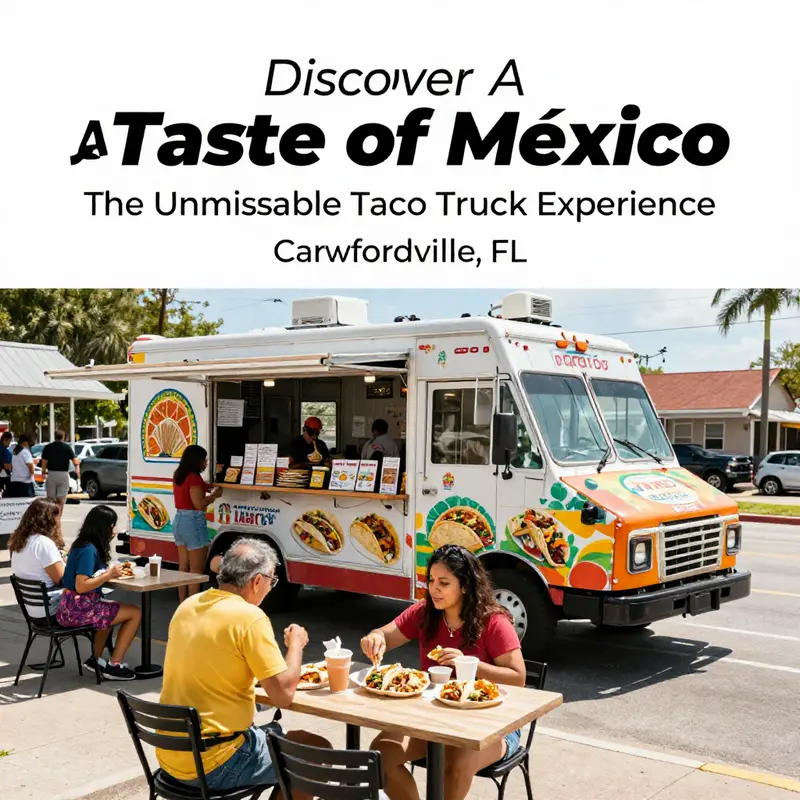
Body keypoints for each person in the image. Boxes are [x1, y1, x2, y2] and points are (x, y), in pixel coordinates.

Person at [157, 538, 330, 795]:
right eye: (271, 581)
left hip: (172, 754)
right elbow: (283, 694)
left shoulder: (188, 605)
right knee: (317, 754)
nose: (270, 589)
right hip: (216, 760)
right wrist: (296, 646)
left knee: (298, 740)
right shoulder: (249, 617)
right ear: (257, 581)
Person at [361, 544, 526, 800]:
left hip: (491, 724)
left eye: (444, 583)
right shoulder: (425, 612)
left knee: (454, 764)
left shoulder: (493, 621)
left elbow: (518, 677)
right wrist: (374, 638)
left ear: (464, 585)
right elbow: (384, 634)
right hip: (431, 719)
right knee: (381, 755)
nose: (434, 589)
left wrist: (469, 664)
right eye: (431, 580)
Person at [57, 505, 142, 680]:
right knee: (135, 612)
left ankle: (94, 659)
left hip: (69, 605)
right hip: (79, 608)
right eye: (112, 526)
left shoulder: (81, 545)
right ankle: (114, 665)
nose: (114, 530)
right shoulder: (89, 550)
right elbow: (81, 585)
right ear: (103, 527)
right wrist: (109, 575)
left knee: (110, 610)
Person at [173, 444, 222, 602]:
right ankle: (192, 608)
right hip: (192, 521)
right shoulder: (194, 477)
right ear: (197, 461)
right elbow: (199, 503)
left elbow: (192, 491)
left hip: (180, 520)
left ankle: (182, 603)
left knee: (183, 567)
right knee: (196, 570)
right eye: (204, 460)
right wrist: (214, 495)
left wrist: (208, 486)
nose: (206, 463)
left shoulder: (180, 474)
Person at [9, 498, 65, 618]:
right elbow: (62, 580)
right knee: (103, 609)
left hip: (32, 611)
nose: (59, 521)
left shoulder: (19, 541)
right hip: (51, 612)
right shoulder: (44, 543)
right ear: (48, 520)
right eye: (57, 517)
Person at [41, 430, 80, 522]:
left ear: (54, 436)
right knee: (61, 500)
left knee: (50, 499)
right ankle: (58, 519)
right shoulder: (67, 447)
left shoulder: (48, 447)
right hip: (63, 474)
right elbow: (75, 461)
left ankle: (50, 519)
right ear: (63, 437)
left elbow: (44, 461)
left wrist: (43, 472)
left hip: (51, 474)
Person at [0, 431, 13, 496]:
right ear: (5, 439)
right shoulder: (4, 451)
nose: (9, 443)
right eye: (9, 441)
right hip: (3, 477)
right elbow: (7, 466)